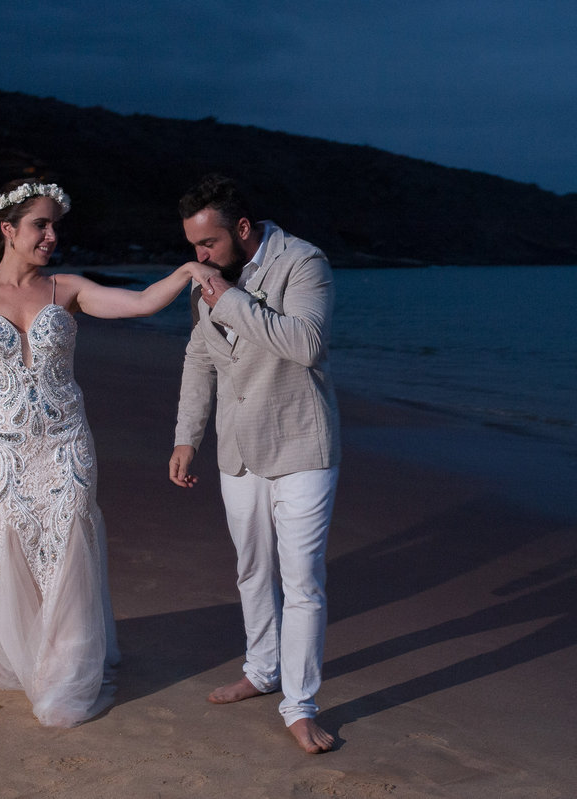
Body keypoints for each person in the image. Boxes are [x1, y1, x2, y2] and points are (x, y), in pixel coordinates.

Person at [0, 179, 217, 727]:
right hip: (4, 451)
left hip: (67, 446)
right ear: (8, 230)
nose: (52, 236)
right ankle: (20, 647)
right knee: (15, 540)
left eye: (55, 225)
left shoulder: (68, 288)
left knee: (69, 539)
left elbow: (138, 304)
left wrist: (182, 273)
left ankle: (65, 667)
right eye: (40, 224)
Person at [168, 174, 341, 753]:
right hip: (235, 448)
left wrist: (232, 300)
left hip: (300, 445)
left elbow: (308, 344)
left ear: (241, 229)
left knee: (302, 582)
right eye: (194, 246)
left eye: (209, 244)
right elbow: (199, 359)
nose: (200, 256)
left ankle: (299, 706)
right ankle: (263, 670)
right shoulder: (206, 279)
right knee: (251, 570)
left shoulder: (303, 262)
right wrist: (186, 437)